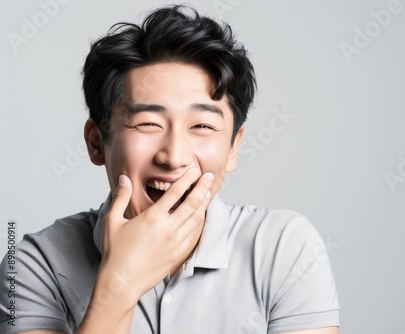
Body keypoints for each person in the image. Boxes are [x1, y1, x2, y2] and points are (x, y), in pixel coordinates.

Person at [0, 5, 339, 333]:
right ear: (96, 142)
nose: (174, 157)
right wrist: (120, 283)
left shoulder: (284, 246)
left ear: (234, 147)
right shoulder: (30, 264)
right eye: (148, 123)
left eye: (203, 126)